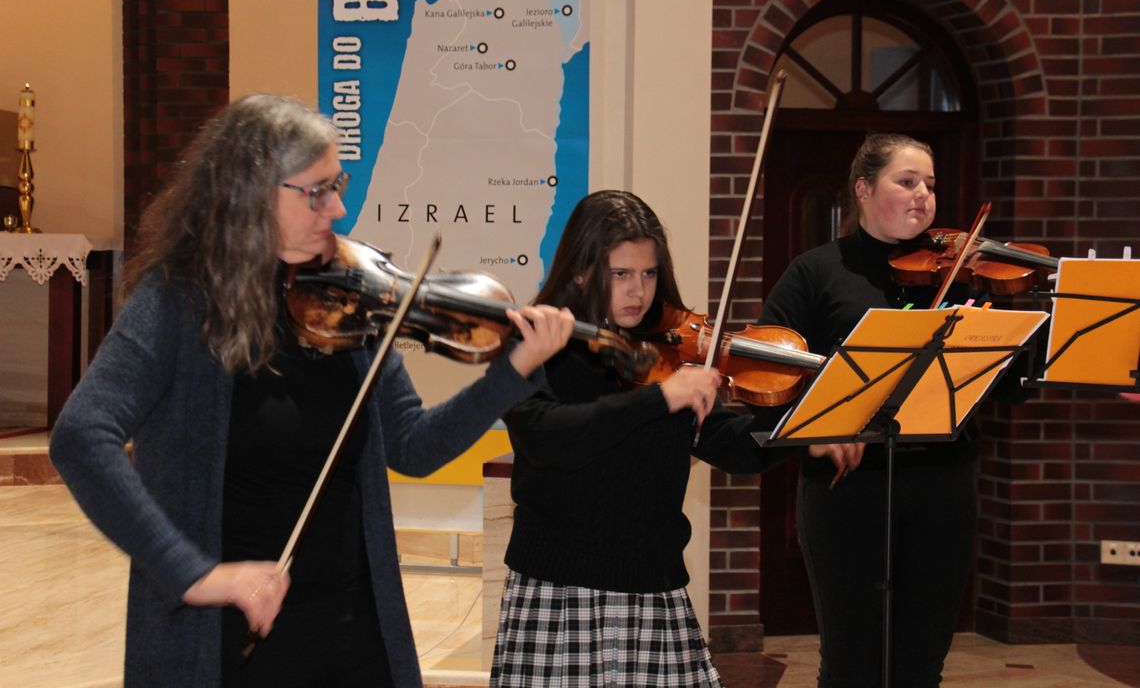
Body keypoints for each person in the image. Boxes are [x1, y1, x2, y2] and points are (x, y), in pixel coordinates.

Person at [49, 93, 575, 688]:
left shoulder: (346, 296)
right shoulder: (180, 300)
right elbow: (80, 435)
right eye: (317, 190)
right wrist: (195, 574)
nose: (339, 207)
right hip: (228, 640)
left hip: (352, 627)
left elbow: (413, 446)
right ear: (248, 192)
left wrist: (512, 370)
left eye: (338, 184)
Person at [490, 190, 784, 687]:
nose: (639, 292)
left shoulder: (663, 352)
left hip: (654, 587)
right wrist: (660, 399)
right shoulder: (536, 342)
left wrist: (799, 432)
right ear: (582, 271)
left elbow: (727, 441)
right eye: (620, 274)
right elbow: (550, 439)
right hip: (561, 593)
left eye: (648, 274)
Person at [757, 133, 1002, 687]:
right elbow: (766, 369)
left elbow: (1005, 391)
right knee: (852, 664)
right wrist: (816, 428)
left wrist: (1004, 324)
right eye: (907, 181)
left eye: (931, 185)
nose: (924, 196)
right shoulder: (816, 272)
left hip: (943, 484)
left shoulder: (958, 274)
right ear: (864, 189)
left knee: (922, 664)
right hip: (850, 486)